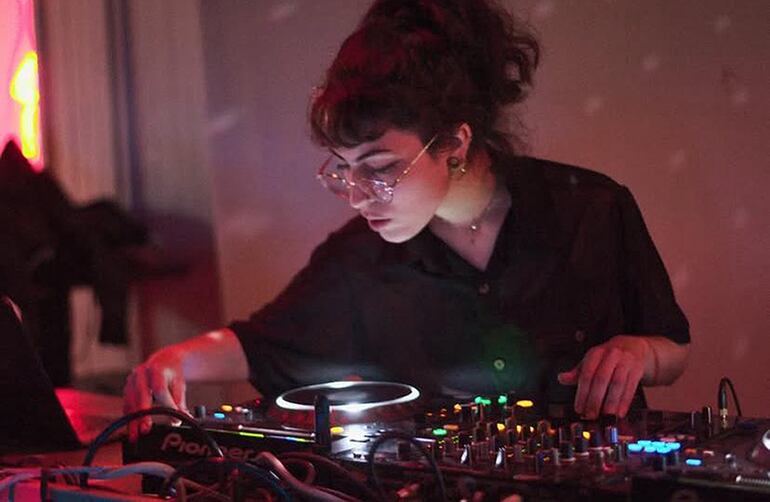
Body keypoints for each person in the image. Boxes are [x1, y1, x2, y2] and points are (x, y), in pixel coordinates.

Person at [124, 0, 690, 440]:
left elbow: (673, 348)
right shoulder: (361, 256)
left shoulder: (590, 210)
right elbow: (267, 343)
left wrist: (640, 353)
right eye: (343, 170)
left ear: (454, 143)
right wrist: (175, 360)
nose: (358, 196)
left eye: (380, 169)